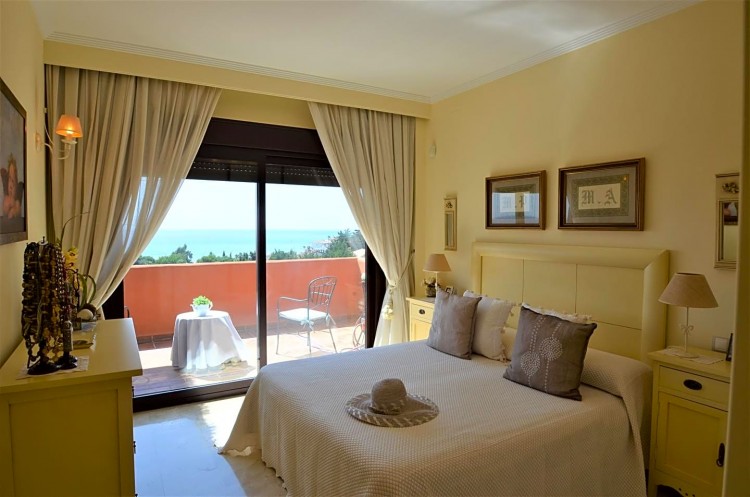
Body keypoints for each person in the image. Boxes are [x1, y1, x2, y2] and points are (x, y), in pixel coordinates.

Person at [1, 154, 22, 219]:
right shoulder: (6, 200)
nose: (11, 186)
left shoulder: (17, 206)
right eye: (9, 179)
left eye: (13, 181)